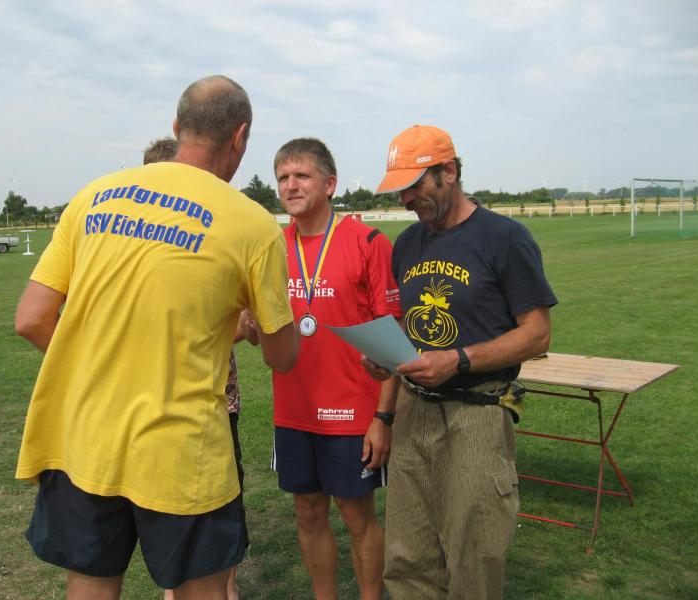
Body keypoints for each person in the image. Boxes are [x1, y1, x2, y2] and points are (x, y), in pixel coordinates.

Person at [14, 75, 299, 600]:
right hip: (182, 450)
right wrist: (256, 325)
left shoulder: (92, 196)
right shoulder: (253, 224)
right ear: (239, 136)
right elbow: (283, 357)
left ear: (177, 126)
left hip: (83, 438)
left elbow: (31, 318)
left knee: (91, 586)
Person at [365, 124, 557, 599]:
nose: (406, 200)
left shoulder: (505, 238)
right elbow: (410, 329)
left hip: (477, 413)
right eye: (400, 191)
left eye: (414, 186)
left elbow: (537, 333)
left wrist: (460, 360)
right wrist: (387, 362)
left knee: (474, 553)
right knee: (407, 556)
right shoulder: (408, 244)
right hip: (413, 411)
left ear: (448, 172)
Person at [270, 138, 402, 600]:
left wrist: (383, 418)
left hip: (352, 412)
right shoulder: (272, 247)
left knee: (356, 514)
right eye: (283, 177)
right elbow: (263, 326)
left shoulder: (367, 242)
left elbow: (391, 340)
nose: (290, 185)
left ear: (329, 184)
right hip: (294, 410)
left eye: (301, 176)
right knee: (307, 511)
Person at [142, 135, 251, 600]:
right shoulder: (151, 249)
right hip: (172, 407)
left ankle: (225, 586)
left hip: (214, 402)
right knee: (177, 510)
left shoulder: (210, 238)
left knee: (221, 502)